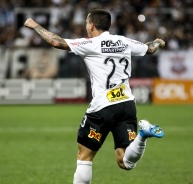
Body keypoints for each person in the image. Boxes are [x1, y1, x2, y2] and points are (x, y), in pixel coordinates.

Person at [24, 9, 165, 184]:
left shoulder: (90, 43)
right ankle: (142, 135)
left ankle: (142, 134)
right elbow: (150, 48)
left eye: (86, 23)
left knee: (84, 156)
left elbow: (56, 42)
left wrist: (35, 25)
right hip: (127, 104)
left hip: (103, 106)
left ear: (91, 25)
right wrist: (158, 42)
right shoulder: (124, 41)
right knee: (125, 161)